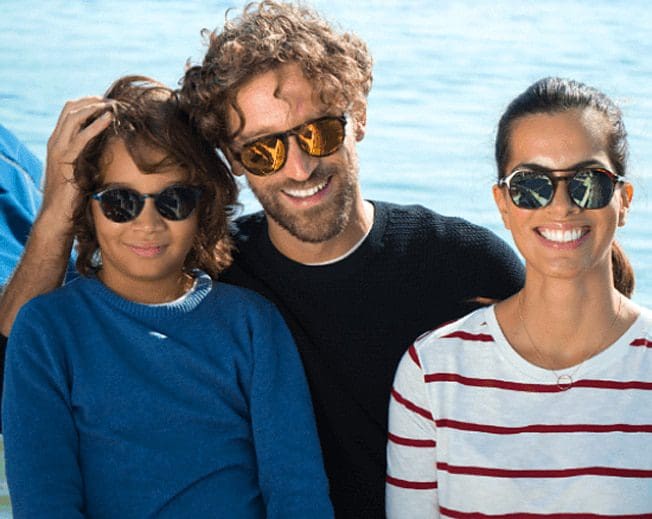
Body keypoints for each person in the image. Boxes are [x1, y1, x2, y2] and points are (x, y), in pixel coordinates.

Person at [0, 2, 524, 516]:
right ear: (233, 159)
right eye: (263, 150)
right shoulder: (214, 268)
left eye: (319, 132)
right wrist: (57, 209)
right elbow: (22, 355)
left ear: (359, 116)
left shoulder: (466, 264)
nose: (298, 168)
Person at [2, 76, 333, 518]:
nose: (148, 223)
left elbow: (297, 491)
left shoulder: (253, 324)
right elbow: (45, 503)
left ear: (205, 206)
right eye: (120, 202)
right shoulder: (46, 332)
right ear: (86, 206)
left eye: (174, 200)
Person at [386, 77, 652, 517]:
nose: (561, 205)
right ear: (503, 204)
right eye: (532, 185)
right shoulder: (433, 372)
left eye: (589, 181)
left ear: (623, 201)